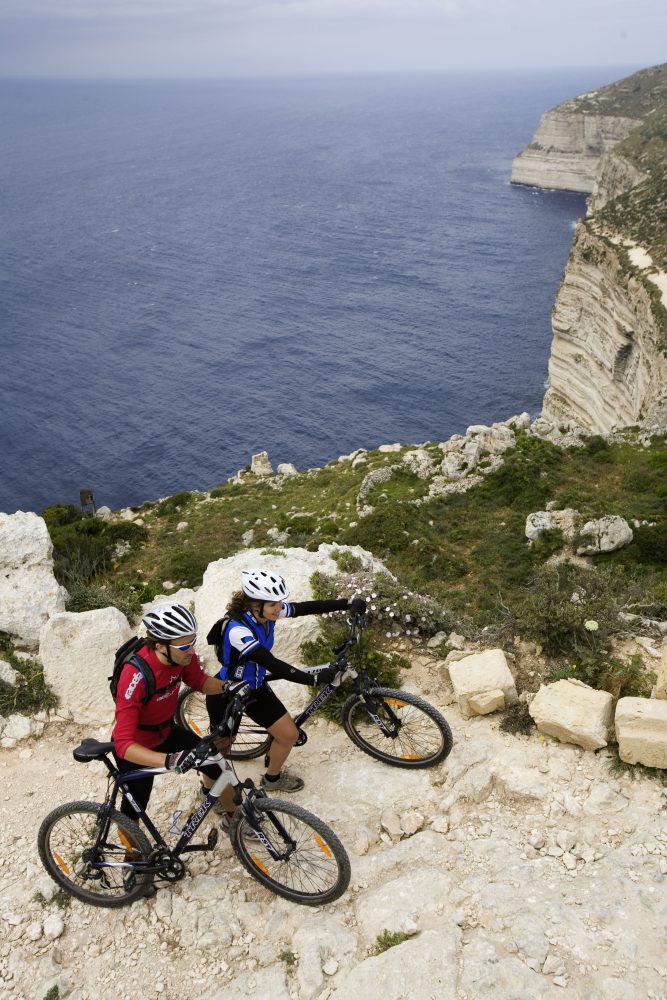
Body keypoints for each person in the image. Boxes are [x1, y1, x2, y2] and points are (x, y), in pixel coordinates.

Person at [205, 567, 366, 821]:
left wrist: (347, 603)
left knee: (289, 735)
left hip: (255, 687)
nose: (279, 608)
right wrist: (311, 678)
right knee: (219, 751)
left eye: (280, 603)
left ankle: (272, 779)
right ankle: (208, 792)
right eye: (273, 604)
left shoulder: (267, 612)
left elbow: (304, 608)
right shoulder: (238, 630)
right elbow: (272, 663)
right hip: (227, 693)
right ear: (254, 604)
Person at [112, 602, 228, 822]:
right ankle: (131, 844)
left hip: (166, 732)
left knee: (218, 766)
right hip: (138, 746)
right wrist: (168, 760)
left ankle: (235, 819)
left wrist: (227, 687)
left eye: (192, 642)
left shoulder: (182, 656)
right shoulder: (135, 676)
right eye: (185, 646)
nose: (192, 651)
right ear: (160, 646)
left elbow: (198, 680)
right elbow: (123, 744)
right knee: (135, 807)